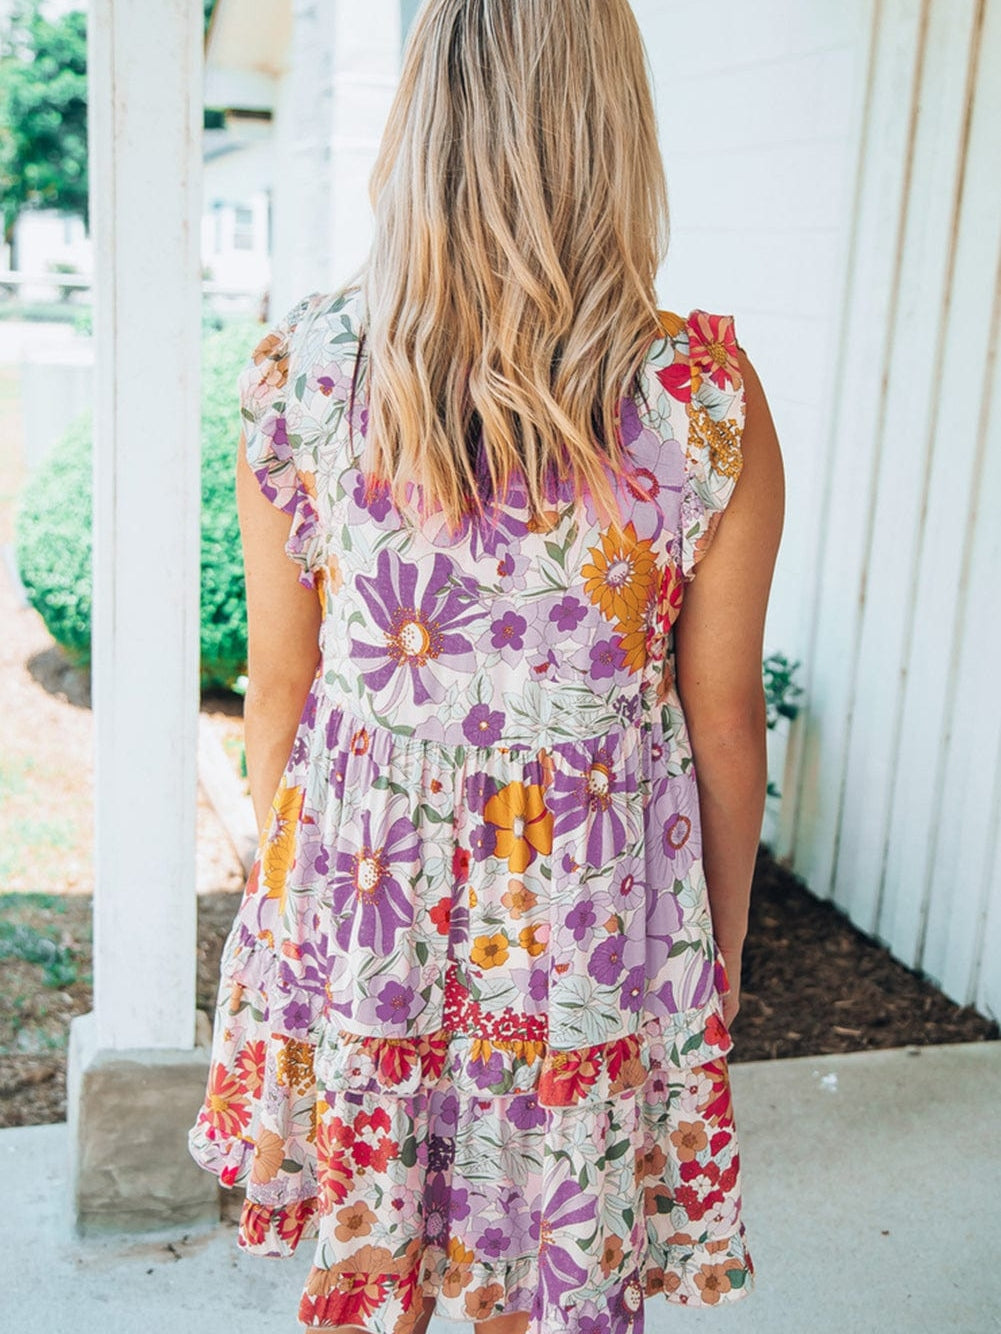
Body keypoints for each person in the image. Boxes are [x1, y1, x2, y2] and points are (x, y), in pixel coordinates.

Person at [188, 2, 784, 1331]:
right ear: (612, 130)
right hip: (586, 923)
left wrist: (298, 915)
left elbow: (277, 691)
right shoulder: (698, 394)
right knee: (549, 1262)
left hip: (363, 901)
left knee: (382, 1257)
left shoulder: (307, 369)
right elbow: (726, 722)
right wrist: (720, 949)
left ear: (420, 125)